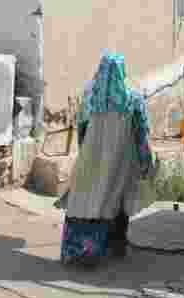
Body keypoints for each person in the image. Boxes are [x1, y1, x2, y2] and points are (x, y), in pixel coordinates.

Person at [60, 53, 156, 268]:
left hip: (90, 160)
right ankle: (115, 247)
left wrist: (87, 153)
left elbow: (82, 131)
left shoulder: (89, 100)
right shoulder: (133, 99)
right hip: (121, 160)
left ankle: (80, 250)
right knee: (118, 199)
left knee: (86, 199)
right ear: (122, 73)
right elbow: (140, 134)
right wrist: (145, 160)